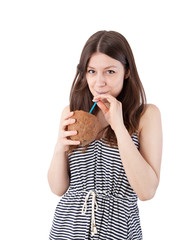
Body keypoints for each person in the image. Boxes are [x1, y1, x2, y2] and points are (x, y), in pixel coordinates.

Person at [48, 30, 163, 240]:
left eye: (110, 72)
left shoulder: (146, 115)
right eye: (92, 71)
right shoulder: (72, 112)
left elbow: (146, 192)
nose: (99, 82)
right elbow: (58, 189)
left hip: (119, 232)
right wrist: (58, 148)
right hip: (67, 230)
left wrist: (119, 127)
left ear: (127, 72)